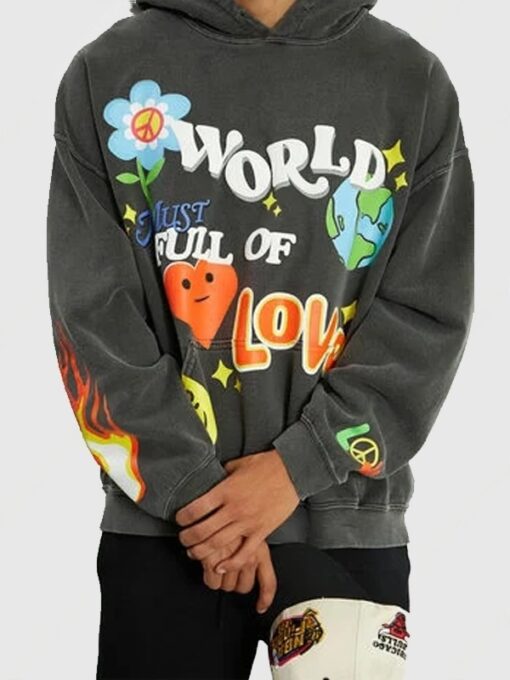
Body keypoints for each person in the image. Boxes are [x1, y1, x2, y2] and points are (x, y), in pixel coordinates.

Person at [46, 0, 474, 678]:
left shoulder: (408, 80)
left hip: (344, 523)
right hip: (165, 534)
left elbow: (425, 316)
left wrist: (299, 465)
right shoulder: (109, 73)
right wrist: (199, 496)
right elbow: (94, 319)